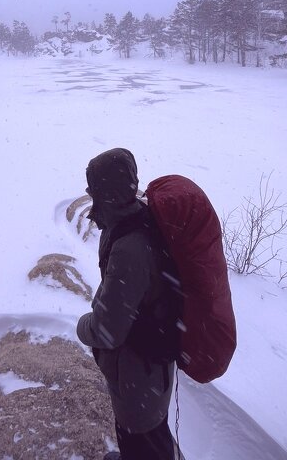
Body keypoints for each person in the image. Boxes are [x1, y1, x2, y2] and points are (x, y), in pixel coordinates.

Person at [76, 148, 179, 460]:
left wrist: (83, 326)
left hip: (138, 373)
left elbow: (108, 330)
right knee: (153, 436)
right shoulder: (139, 218)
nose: (90, 198)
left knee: (140, 439)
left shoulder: (129, 249)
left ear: (105, 194)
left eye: (93, 191)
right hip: (151, 368)